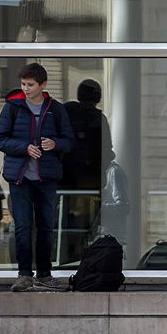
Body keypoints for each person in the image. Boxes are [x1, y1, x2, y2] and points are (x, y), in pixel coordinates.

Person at [0, 63, 74, 292]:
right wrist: (25, 148)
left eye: (30, 85)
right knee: (23, 227)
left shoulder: (56, 109)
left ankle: (45, 275)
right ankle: (24, 275)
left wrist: (55, 144)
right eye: (23, 84)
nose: (26, 89)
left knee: (46, 227)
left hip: (46, 177)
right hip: (19, 177)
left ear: (43, 85)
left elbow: (69, 141)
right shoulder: (12, 108)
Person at [62, 78, 115, 248]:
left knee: (62, 219)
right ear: (98, 98)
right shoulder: (98, 118)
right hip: (90, 180)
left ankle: (64, 250)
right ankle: (81, 250)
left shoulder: (65, 112)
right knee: (87, 224)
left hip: (63, 180)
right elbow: (107, 150)